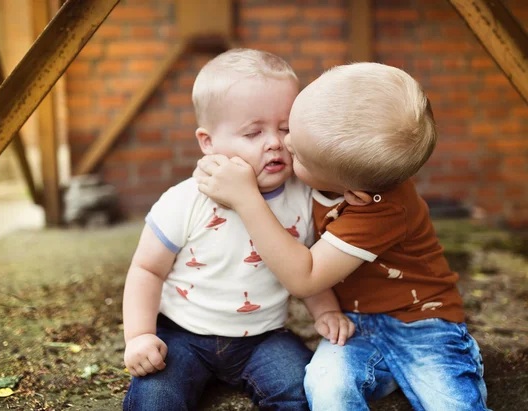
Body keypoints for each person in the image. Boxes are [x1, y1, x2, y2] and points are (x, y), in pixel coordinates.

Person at [194, 62, 490, 411]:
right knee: (325, 387)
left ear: (354, 196)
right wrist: (218, 162)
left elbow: (304, 278)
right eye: (292, 126)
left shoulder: (382, 209)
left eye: (295, 146)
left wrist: (245, 198)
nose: (283, 144)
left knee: (451, 404)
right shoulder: (336, 167)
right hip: (353, 326)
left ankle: (450, 360)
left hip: (424, 323)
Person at [122, 49, 354, 411]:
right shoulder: (186, 200)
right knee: (155, 398)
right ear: (208, 142)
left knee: (298, 388)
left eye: (286, 128)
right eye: (253, 132)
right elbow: (147, 269)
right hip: (183, 334)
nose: (275, 142)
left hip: (263, 338)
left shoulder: (303, 197)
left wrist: (324, 312)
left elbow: (307, 265)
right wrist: (139, 336)